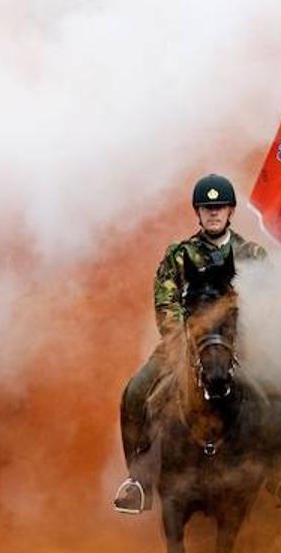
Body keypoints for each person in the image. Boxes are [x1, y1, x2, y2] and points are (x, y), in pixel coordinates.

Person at [114, 173, 268, 514]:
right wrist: (182, 342)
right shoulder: (179, 255)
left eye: (220, 207)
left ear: (231, 211)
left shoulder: (252, 255)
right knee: (135, 392)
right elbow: (166, 304)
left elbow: (267, 303)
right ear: (197, 213)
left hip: (239, 351)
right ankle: (137, 483)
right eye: (206, 208)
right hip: (185, 348)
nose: (213, 213)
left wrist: (239, 343)